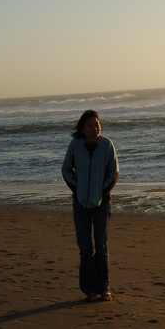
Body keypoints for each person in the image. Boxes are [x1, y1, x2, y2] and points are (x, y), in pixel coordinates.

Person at [62, 110, 119, 302]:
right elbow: (66, 169)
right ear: (82, 129)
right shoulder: (75, 145)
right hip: (80, 203)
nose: (94, 128)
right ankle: (89, 290)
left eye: (97, 124)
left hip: (102, 203)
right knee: (85, 247)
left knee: (101, 246)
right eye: (90, 125)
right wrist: (77, 189)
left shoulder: (107, 144)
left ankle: (104, 288)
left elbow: (114, 172)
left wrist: (102, 192)